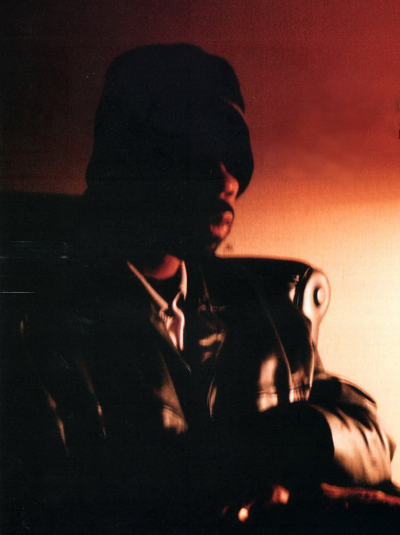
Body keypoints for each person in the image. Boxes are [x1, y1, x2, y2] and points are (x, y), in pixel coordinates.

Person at [16, 44, 394, 533]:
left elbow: (373, 441)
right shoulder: (39, 331)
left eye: (234, 152)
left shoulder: (266, 309)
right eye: (193, 149)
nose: (225, 176)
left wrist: (300, 437)